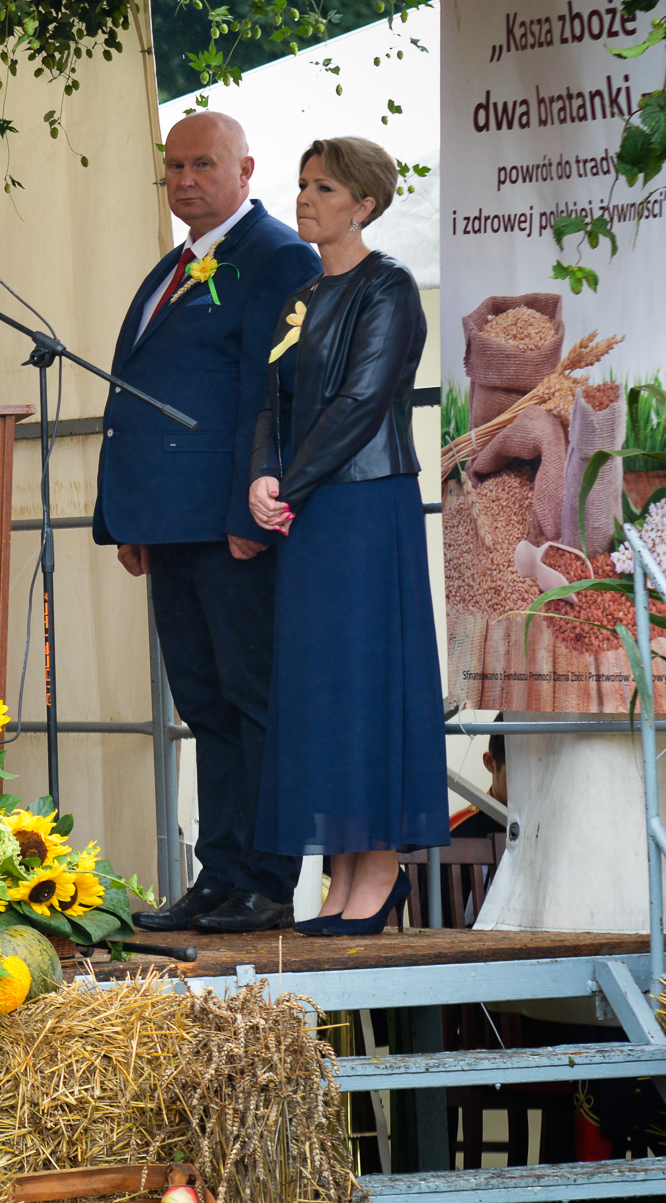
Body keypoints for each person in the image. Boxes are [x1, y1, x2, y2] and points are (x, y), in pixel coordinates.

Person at [96, 111, 322, 935]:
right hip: (171, 525)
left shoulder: (277, 255)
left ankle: (267, 878)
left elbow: (274, 394)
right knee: (203, 703)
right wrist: (128, 515)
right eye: (175, 166)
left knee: (252, 699)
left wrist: (251, 512)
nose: (185, 179)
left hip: (232, 525)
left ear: (246, 170)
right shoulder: (174, 266)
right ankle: (219, 873)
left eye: (203, 164)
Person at [248, 135, 447, 936]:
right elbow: (274, 401)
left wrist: (288, 485)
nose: (305, 199)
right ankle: (342, 874)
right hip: (311, 508)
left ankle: (380, 872)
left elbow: (362, 401)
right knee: (323, 690)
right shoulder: (301, 294)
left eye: (325, 187)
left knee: (369, 684)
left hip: (366, 505)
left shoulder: (387, 286)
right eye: (303, 184)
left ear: (364, 204)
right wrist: (263, 477)